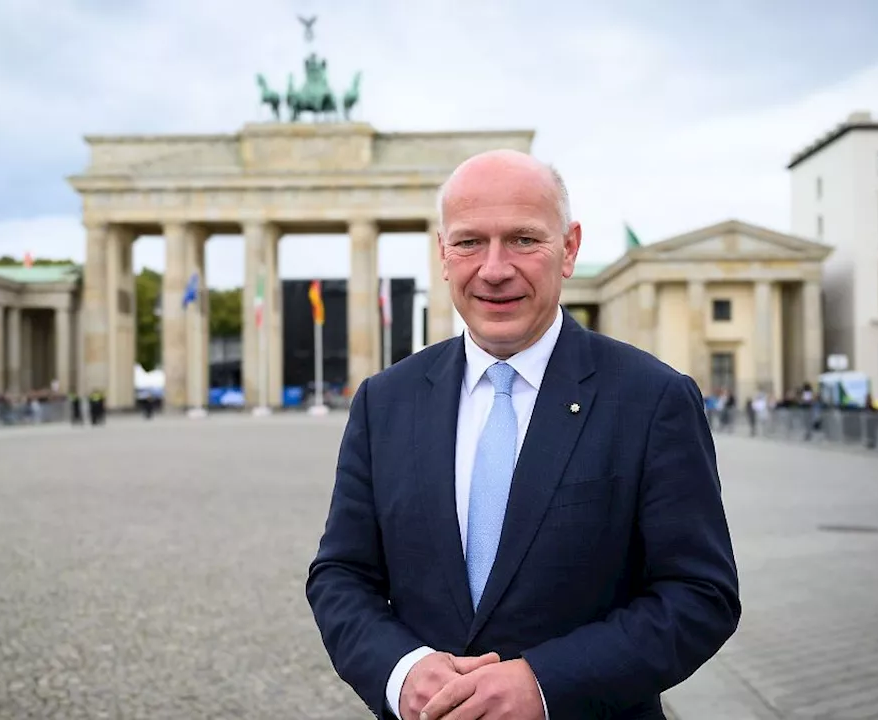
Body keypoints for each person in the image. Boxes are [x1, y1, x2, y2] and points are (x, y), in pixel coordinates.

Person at [305, 150, 740, 720]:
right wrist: (401, 670)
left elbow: (699, 595)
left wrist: (544, 685)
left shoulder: (652, 399)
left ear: (570, 248)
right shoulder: (384, 401)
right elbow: (341, 574)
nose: (493, 268)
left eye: (523, 240)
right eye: (468, 242)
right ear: (442, 254)